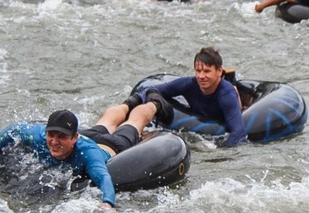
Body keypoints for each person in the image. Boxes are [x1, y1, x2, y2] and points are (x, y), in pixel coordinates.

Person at [97, 46, 247, 147]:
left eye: (207, 71)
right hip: (198, 117)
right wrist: (130, 104)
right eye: (198, 71)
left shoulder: (226, 94)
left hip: (220, 121)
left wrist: (220, 154)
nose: (201, 76)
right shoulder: (189, 84)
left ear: (219, 71)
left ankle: (237, 86)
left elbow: (238, 133)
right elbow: (152, 89)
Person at [0, 110, 116, 209]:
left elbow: (103, 177)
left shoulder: (89, 154)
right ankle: (128, 103)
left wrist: (108, 203)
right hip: (88, 135)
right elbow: (15, 129)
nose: (54, 142)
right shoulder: (39, 136)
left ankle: (136, 102)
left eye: (61, 136)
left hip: (110, 146)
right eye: (51, 135)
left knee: (132, 124)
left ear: (74, 137)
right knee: (106, 123)